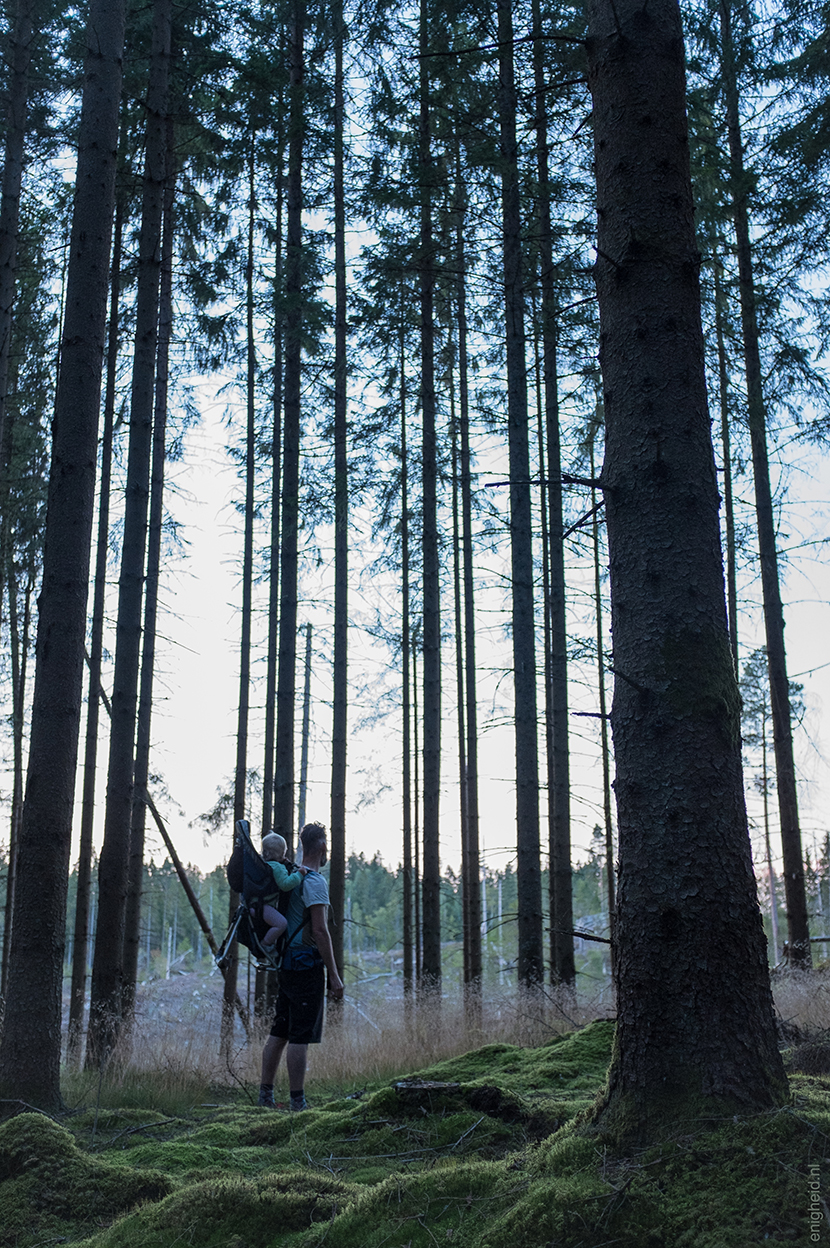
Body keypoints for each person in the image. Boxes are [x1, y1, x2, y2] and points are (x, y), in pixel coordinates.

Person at [258, 821, 344, 1111]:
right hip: (306, 966)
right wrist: (333, 975)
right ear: (321, 847)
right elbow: (319, 931)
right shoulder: (315, 882)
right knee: (299, 1036)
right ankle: (298, 1102)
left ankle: (265, 1096)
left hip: (285, 964)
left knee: (280, 1030)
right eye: (326, 846)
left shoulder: (291, 875)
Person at [260, 832, 306, 948]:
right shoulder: (278, 868)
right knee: (281, 924)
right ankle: (265, 944)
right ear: (282, 854)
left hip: (252, 905)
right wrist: (299, 874)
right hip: (263, 907)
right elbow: (285, 885)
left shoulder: (261, 865)